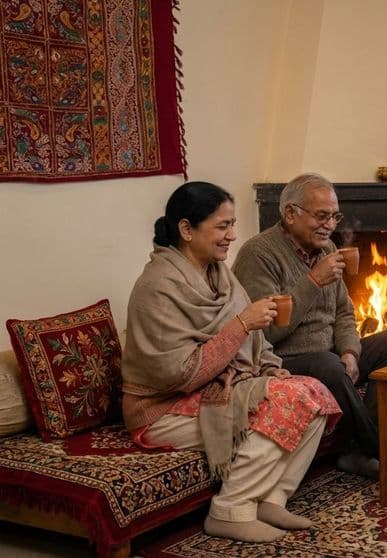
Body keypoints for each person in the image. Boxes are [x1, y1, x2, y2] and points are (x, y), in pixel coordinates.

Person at [121, 181, 341, 543]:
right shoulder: (157, 287)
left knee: (314, 393)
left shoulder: (219, 274)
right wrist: (241, 325)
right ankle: (230, 510)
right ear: (187, 229)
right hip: (163, 407)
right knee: (286, 403)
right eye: (223, 226)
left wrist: (268, 367)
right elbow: (180, 374)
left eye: (233, 225)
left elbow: (254, 341)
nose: (232, 236)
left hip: (220, 386)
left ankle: (272, 498)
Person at [232, 172, 387, 480]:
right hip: (283, 359)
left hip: (330, 355)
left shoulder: (329, 249)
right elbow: (266, 333)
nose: (330, 225)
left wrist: (350, 351)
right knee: (328, 364)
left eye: (335, 216)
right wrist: (313, 281)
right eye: (321, 216)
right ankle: (381, 448)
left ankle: (370, 443)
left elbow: (344, 311)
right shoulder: (258, 254)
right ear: (290, 214)